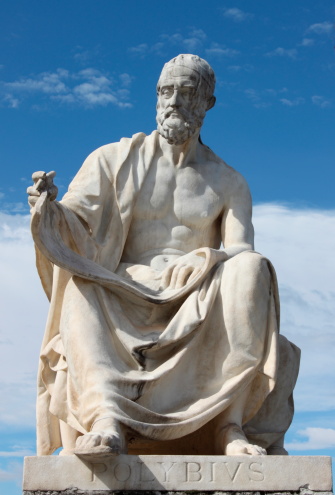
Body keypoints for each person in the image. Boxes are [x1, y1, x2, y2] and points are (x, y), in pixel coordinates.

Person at [28, 54, 300, 459]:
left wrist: (207, 262)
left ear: (207, 103)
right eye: (165, 91)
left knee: (252, 268)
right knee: (83, 283)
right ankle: (106, 417)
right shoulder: (113, 160)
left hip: (196, 287)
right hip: (124, 284)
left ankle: (228, 425)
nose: (173, 101)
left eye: (186, 92)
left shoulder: (229, 182)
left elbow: (241, 248)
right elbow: (76, 224)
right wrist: (48, 209)